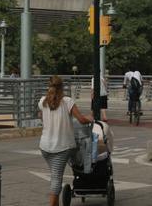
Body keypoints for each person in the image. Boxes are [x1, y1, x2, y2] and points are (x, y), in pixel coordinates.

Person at [38, 76, 94, 206]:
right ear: (62, 87)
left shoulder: (43, 101)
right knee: (56, 178)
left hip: (45, 146)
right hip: (62, 147)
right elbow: (81, 120)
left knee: (54, 175)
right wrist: (90, 118)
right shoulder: (68, 101)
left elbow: (41, 115)